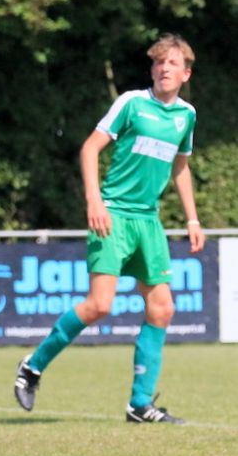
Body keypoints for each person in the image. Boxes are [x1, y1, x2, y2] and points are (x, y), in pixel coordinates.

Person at [13, 34, 205, 423]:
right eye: (158, 62)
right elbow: (89, 148)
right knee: (100, 304)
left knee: (163, 307)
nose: (163, 68)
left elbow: (180, 167)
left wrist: (192, 218)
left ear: (186, 73)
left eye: (172, 63)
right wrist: (94, 201)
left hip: (148, 221)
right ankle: (32, 366)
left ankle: (140, 404)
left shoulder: (187, 115)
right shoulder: (132, 103)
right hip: (114, 214)